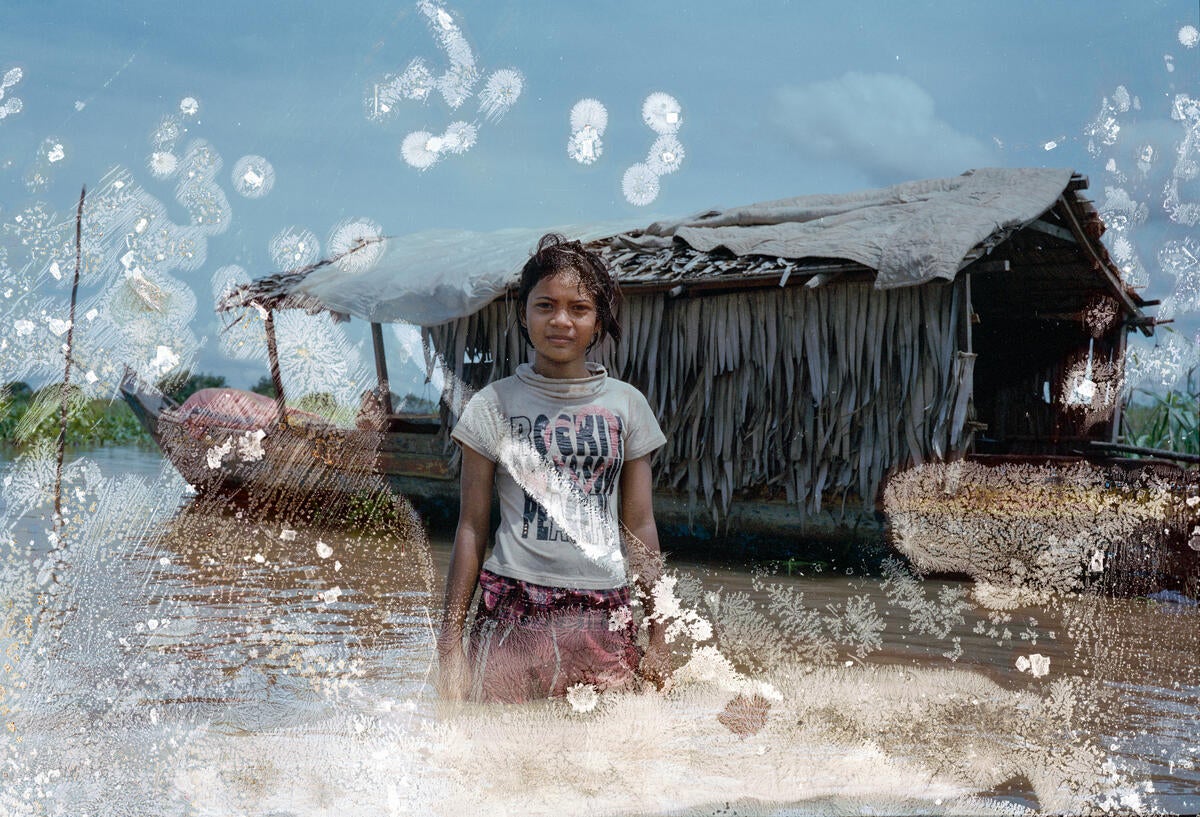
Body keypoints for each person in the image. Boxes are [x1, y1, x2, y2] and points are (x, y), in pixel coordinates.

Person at [436, 233, 671, 703]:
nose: (560, 320)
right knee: (496, 753)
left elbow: (640, 525)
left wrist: (660, 636)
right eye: (545, 305)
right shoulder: (491, 406)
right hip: (512, 608)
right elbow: (470, 528)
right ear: (524, 314)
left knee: (604, 761)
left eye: (578, 308)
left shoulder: (627, 406)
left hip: (603, 611)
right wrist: (449, 643)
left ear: (598, 319)